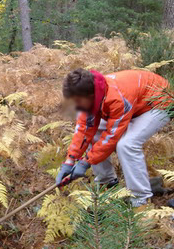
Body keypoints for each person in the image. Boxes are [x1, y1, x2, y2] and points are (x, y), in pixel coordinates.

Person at [55, 68, 170, 208]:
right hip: (136, 103)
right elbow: (84, 130)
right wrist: (70, 161)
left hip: (159, 102)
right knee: (94, 133)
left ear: (91, 96)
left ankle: (140, 199)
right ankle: (107, 183)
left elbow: (111, 137)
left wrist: (85, 163)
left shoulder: (117, 98)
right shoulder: (91, 94)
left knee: (126, 144)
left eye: (78, 101)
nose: (76, 105)